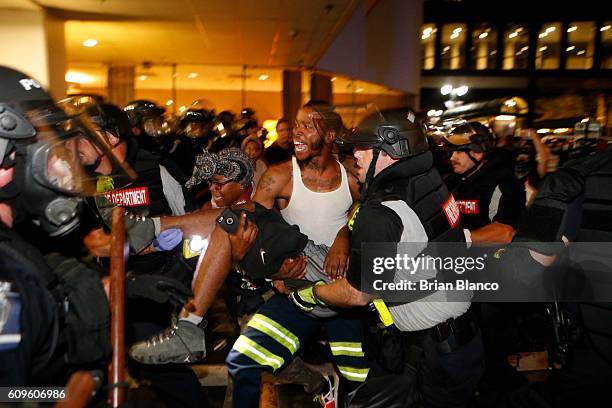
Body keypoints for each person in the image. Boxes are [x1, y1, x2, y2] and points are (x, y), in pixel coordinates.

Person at [289, 108, 484, 408]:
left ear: (392, 150)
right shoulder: (428, 182)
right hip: (455, 342)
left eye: (363, 147)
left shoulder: (382, 211)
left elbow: (357, 294)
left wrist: (312, 294)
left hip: (434, 355)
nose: (355, 155)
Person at [0, 66, 127, 385]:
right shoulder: (6, 279)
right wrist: (81, 388)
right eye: (44, 148)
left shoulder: (16, 251)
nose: (60, 163)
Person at [443, 122, 526, 244]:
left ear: (478, 152)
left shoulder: (505, 182)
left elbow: (505, 232)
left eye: (459, 152)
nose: (452, 158)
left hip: (491, 258)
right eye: (451, 152)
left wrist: (463, 239)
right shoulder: (452, 181)